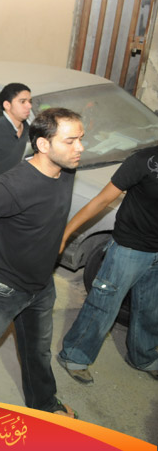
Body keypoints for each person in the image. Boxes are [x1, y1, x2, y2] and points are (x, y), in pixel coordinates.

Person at [0, 107, 84, 418]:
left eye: (80, 139)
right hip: (1, 287)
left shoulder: (67, 169)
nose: (80, 148)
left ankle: (44, 405)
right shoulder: (11, 186)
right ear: (43, 144)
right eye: (70, 141)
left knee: (38, 352)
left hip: (41, 284)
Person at [58, 146, 158, 383]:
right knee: (103, 307)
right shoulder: (143, 160)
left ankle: (142, 357)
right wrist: (65, 234)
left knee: (151, 310)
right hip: (129, 249)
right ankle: (74, 356)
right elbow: (102, 200)